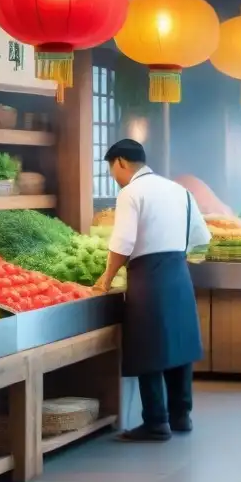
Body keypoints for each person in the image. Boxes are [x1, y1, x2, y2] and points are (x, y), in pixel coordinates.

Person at [93, 139, 211, 442]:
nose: (115, 177)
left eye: (112, 170)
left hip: (149, 277)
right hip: (178, 272)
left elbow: (123, 242)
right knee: (178, 344)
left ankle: (156, 422)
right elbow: (201, 235)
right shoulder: (180, 191)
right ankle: (181, 416)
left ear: (120, 162)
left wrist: (106, 278)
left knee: (149, 347)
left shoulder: (131, 192)